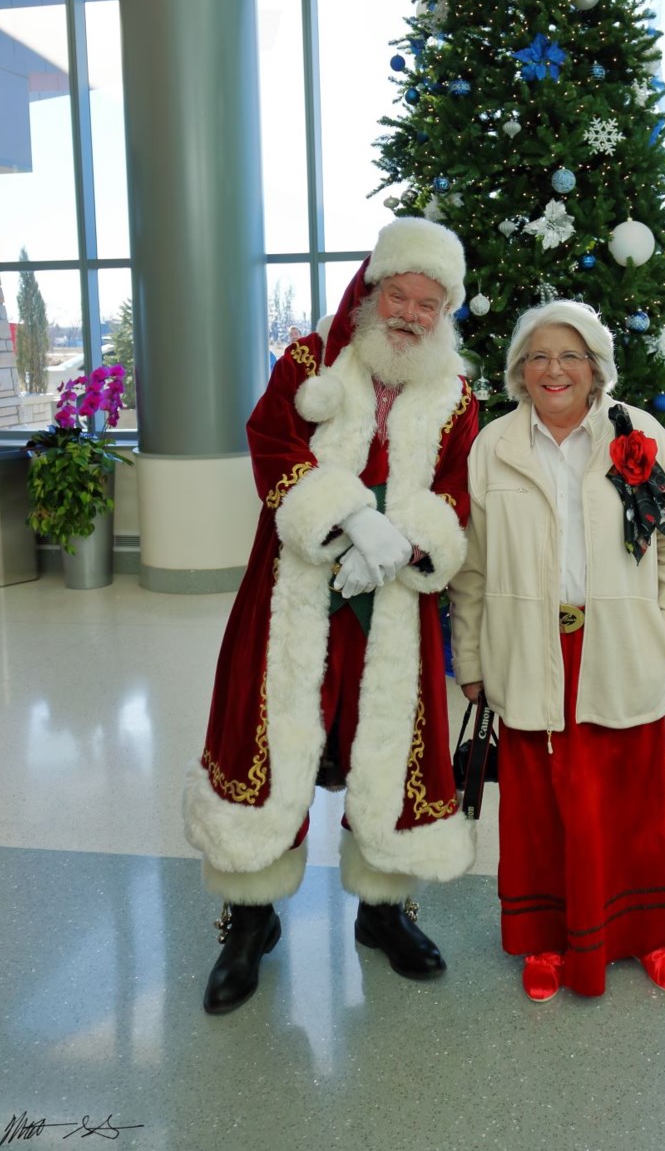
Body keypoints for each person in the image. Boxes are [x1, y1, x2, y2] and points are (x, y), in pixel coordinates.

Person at [184, 218, 478, 1014]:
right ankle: (248, 919)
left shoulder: (457, 397)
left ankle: (384, 910)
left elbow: (457, 492)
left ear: (444, 310)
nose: (411, 313)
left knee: (386, 747)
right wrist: (351, 517)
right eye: (399, 293)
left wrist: (404, 540)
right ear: (371, 290)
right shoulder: (309, 363)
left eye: (429, 301)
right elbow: (272, 444)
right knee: (267, 737)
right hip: (294, 590)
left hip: (392, 607)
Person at [449, 301, 665, 1002]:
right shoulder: (494, 446)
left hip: (620, 646)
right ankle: (543, 939)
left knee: (632, 799)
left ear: (595, 368)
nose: (553, 369)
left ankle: (651, 934)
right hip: (528, 646)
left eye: (570, 356)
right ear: (519, 371)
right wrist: (470, 658)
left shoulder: (639, 437)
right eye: (538, 356)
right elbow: (470, 566)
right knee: (537, 803)